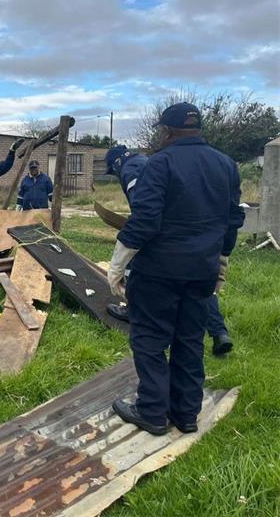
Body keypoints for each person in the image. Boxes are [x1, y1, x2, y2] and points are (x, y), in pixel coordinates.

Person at [108, 103, 244, 436]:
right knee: (190, 340)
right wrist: (221, 260)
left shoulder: (160, 163)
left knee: (150, 340)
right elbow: (232, 219)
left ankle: (152, 411)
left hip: (158, 273)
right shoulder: (226, 165)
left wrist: (117, 264)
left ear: (167, 132)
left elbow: (145, 219)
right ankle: (186, 414)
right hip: (202, 271)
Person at [104, 145, 235, 356]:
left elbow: (144, 209)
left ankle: (132, 310)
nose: (114, 174)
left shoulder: (130, 169)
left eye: (112, 170)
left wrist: (134, 236)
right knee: (199, 283)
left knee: (134, 266)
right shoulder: (147, 161)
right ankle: (219, 332)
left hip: (160, 235)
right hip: (194, 239)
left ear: (117, 162)